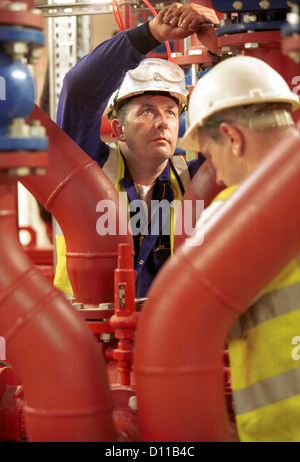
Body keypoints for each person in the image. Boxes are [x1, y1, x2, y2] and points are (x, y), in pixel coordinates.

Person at [54, 2, 220, 299]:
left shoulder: (193, 180)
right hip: (90, 334)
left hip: (165, 335)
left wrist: (220, 53)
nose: (162, 123)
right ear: (118, 130)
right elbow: (79, 90)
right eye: (146, 111)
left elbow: (236, 126)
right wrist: (150, 34)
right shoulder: (88, 170)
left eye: (171, 112)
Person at [180, 55, 300, 442]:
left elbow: (184, 325)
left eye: (211, 158)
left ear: (232, 138)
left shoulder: (234, 210)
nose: (215, 173)